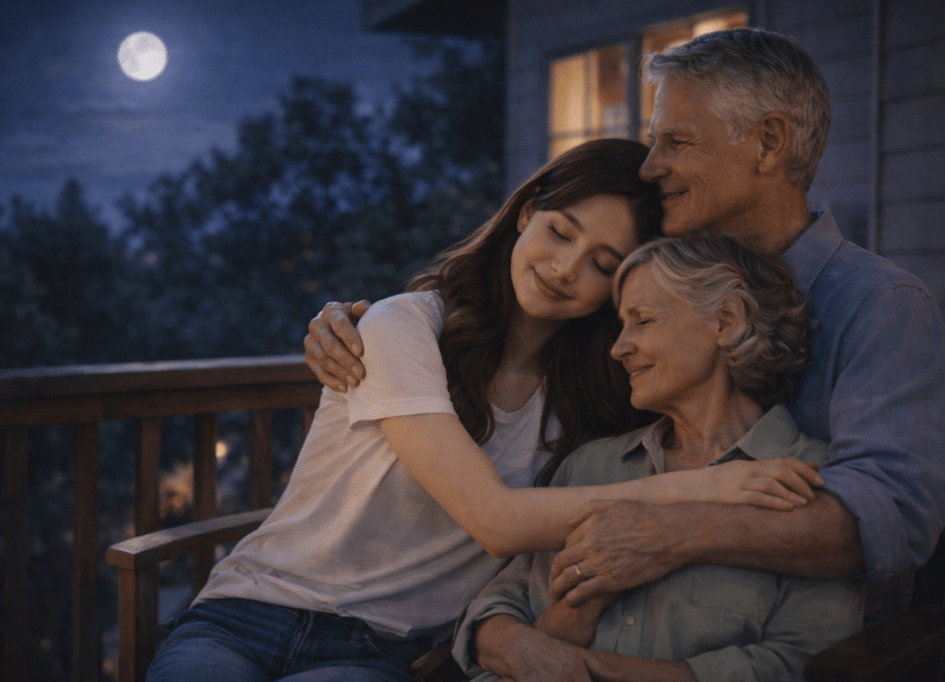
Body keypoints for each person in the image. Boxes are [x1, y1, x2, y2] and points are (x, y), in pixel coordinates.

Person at [304, 28, 945, 626]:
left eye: (677, 141)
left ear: (769, 143)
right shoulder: (633, 296)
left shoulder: (880, 305)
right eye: (653, 138)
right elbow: (534, 318)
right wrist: (369, 324)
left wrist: (671, 531)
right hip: (603, 623)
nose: (649, 166)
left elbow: (886, 518)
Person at [146, 139, 820, 682]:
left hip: (376, 652)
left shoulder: (592, 407)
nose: (563, 268)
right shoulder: (404, 327)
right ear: (526, 213)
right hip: (249, 610)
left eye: (601, 264)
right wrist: (705, 488)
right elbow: (495, 522)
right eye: (560, 232)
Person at [456, 234, 863, 682]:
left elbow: (798, 664)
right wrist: (520, 646)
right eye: (621, 325)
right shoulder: (591, 466)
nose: (619, 347)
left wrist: (583, 667)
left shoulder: (809, 484)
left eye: (643, 321)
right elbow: (496, 607)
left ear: (725, 321)